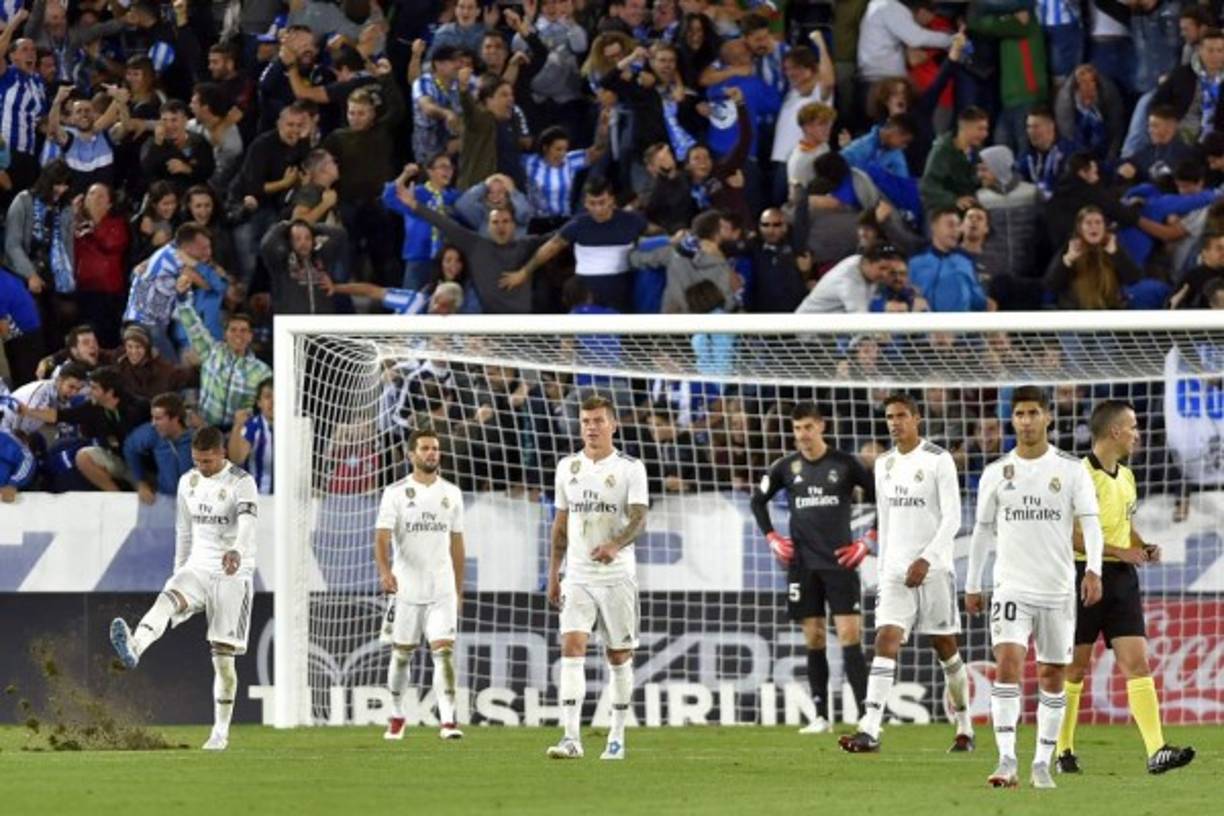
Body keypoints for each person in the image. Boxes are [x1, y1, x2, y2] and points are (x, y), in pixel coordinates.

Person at [966, 385, 1105, 790]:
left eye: (1033, 413)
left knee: (1050, 674)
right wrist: (974, 582)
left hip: (1058, 589)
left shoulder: (1070, 469)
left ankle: (1042, 761)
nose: (1026, 421)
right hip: (1011, 586)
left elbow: (1091, 523)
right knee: (1007, 664)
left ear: (1048, 417)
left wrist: (1093, 570)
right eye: (1019, 414)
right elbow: (981, 531)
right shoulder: (995, 473)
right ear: (1012, 420)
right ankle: (1006, 758)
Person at [1056, 400, 1196, 776]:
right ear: (1115, 431)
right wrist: (1121, 551)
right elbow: (1070, 534)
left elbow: (1123, 526)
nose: (1138, 434)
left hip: (1121, 581)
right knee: (1075, 667)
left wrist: (1142, 545)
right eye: (1133, 427)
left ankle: (1156, 750)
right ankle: (1063, 749)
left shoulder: (1128, 476)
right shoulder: (1078, 474)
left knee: (1137, 662)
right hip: (1084, 574)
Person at [109, 426, 259, 752]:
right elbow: (184, 530)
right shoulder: (187, 482)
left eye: (207, 461)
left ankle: (220, 733)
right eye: (196, 460)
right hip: (198, 567)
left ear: (222, 454)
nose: (201, 467)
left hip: (232, 573)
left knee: (223, 660)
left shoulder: (241, 482)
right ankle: (134, 647)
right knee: (167, 599)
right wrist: (179, 572)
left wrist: (237, 550)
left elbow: (248, 522)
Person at [839, 393, 973, 753]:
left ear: (916, 419)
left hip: (934, 570)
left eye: (901, 416)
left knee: (946, 649)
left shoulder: (938, 460)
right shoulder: (882, 464)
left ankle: (964, 724)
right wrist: (884, 568)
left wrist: (927, 559)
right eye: (889, 417)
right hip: (895, 571)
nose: (894, 423)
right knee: (886, 638)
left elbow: (953, 518)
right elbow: (885, 517)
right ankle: (870, 728)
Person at [750, 402, 875, 733]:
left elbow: (882, 497)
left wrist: (868, 540)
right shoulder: (785, 467)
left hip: (840, 563)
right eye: (796, 429)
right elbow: (757, 501)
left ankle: (867, 715)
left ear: (822, 426)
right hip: (802, 566)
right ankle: (820, 716)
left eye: (807, 427)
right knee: (814, 637)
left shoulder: (846, 464)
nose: (802, 435)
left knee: (850, 635)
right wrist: (772, 537)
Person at [546, 394, 649, 760]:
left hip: (617, 576)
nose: (591, 427)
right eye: (586, 421)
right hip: (577, 574)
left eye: (599, 421)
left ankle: (617, 738)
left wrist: (615, 545)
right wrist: (553, 572)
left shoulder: (630, 468)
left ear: (613, 424)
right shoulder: (566, 467)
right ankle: (571, 738)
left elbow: (639, 518)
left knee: (618, 655)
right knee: (571, 647)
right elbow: (560, 524)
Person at [375, 427, 466, 742]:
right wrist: (385, 572)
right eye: (425, 448)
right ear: (411, 454)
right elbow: (382, 538)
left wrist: (459, 588)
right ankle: (397, 714)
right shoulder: (396, 493)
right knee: (401, 656)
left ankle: (449, 721)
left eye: (435, 448)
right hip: (406, 590)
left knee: (444, 653)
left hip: (441, 589)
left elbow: (457, 543)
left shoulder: (452, 493)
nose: (432, 454)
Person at [122, 391, 194, 504]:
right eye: (153, 418)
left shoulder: (196, 438)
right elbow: (129, 447)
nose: (153, 423)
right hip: (165, 499)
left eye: (158, 418)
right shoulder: (153, 433)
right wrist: (141, 482)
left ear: (175, 418)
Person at [228, 378, 274, 495]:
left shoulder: (294, 427)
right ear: (259, 403)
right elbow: (237, 459)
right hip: (258, 499)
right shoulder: (252, 427)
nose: (273, 401)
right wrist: (237, 426)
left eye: (277, 396)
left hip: (287, 502)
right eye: (268, 397)